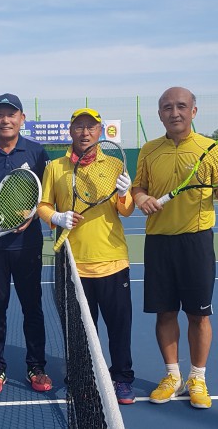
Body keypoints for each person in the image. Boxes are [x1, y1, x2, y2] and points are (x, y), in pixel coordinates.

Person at [131, 87, 218, 410]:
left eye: (181, 106)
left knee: (198, 314)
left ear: (193, 111)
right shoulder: (149, 150)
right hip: (158, 241)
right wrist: (141, 198)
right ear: (159, 114)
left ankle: (197, 378)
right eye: (167, 107)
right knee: (164, 312)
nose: (174, 112)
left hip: (196, 241)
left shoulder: (210, 149)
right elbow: (138, 187)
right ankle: (172, 376)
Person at [37, 107, 137, 404]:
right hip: (72, 264)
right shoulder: (55, 167)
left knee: (119, 328)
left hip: (113, 260)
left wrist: (124, 193)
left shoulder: (115, 164)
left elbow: (127, 210)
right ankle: (81, 378)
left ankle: (122, 378)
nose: (85, 132)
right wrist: (56, 217)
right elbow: (43, 205)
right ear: (71, 131)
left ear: (100, 131)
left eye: (91, 127)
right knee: (79, 332)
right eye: (79, 126)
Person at [0, 93, 52, 395]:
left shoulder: (38, 153)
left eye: (11, 114)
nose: (6, 120)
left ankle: (36, 367)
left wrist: (35, 212)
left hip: (28, 246)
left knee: (33, 308)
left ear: (22, 118)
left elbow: (48, 195)